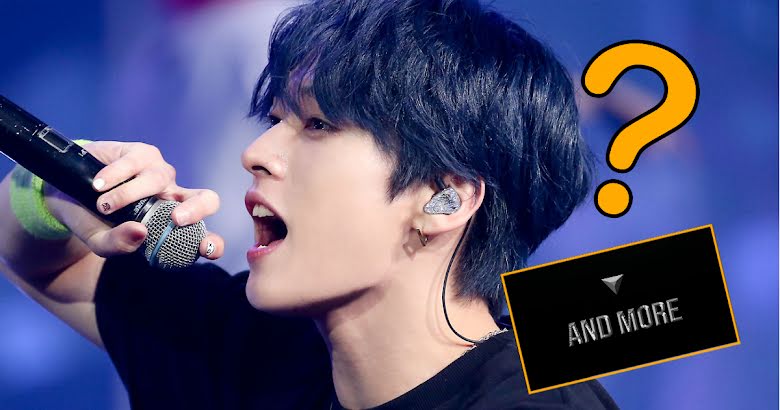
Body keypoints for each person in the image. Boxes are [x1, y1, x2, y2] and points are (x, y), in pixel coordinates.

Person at [0, 0, 619, 408]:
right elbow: (40, 259)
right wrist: (61, 190)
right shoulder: (253, 351)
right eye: (275, 120)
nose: (257, 153)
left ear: (443, 197)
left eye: (318, 125)